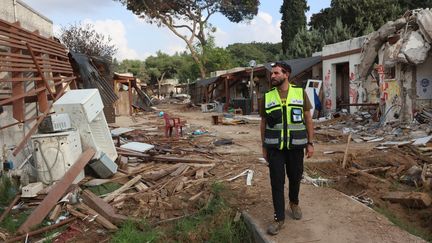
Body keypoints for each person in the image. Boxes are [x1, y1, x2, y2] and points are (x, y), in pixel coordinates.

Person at [260, 61, 314, 235]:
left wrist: (310, 142)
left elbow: (308, 118)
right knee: (276, 182)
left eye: (276, 73)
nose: (272, 76)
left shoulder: (299, 93)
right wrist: (264, 145)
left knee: (295, 177)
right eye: (272, 73)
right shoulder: (267, 96)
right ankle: (279, 219)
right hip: (275, 147)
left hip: (296, 146)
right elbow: (263, 122)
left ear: (286, 74)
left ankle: (294, 202)